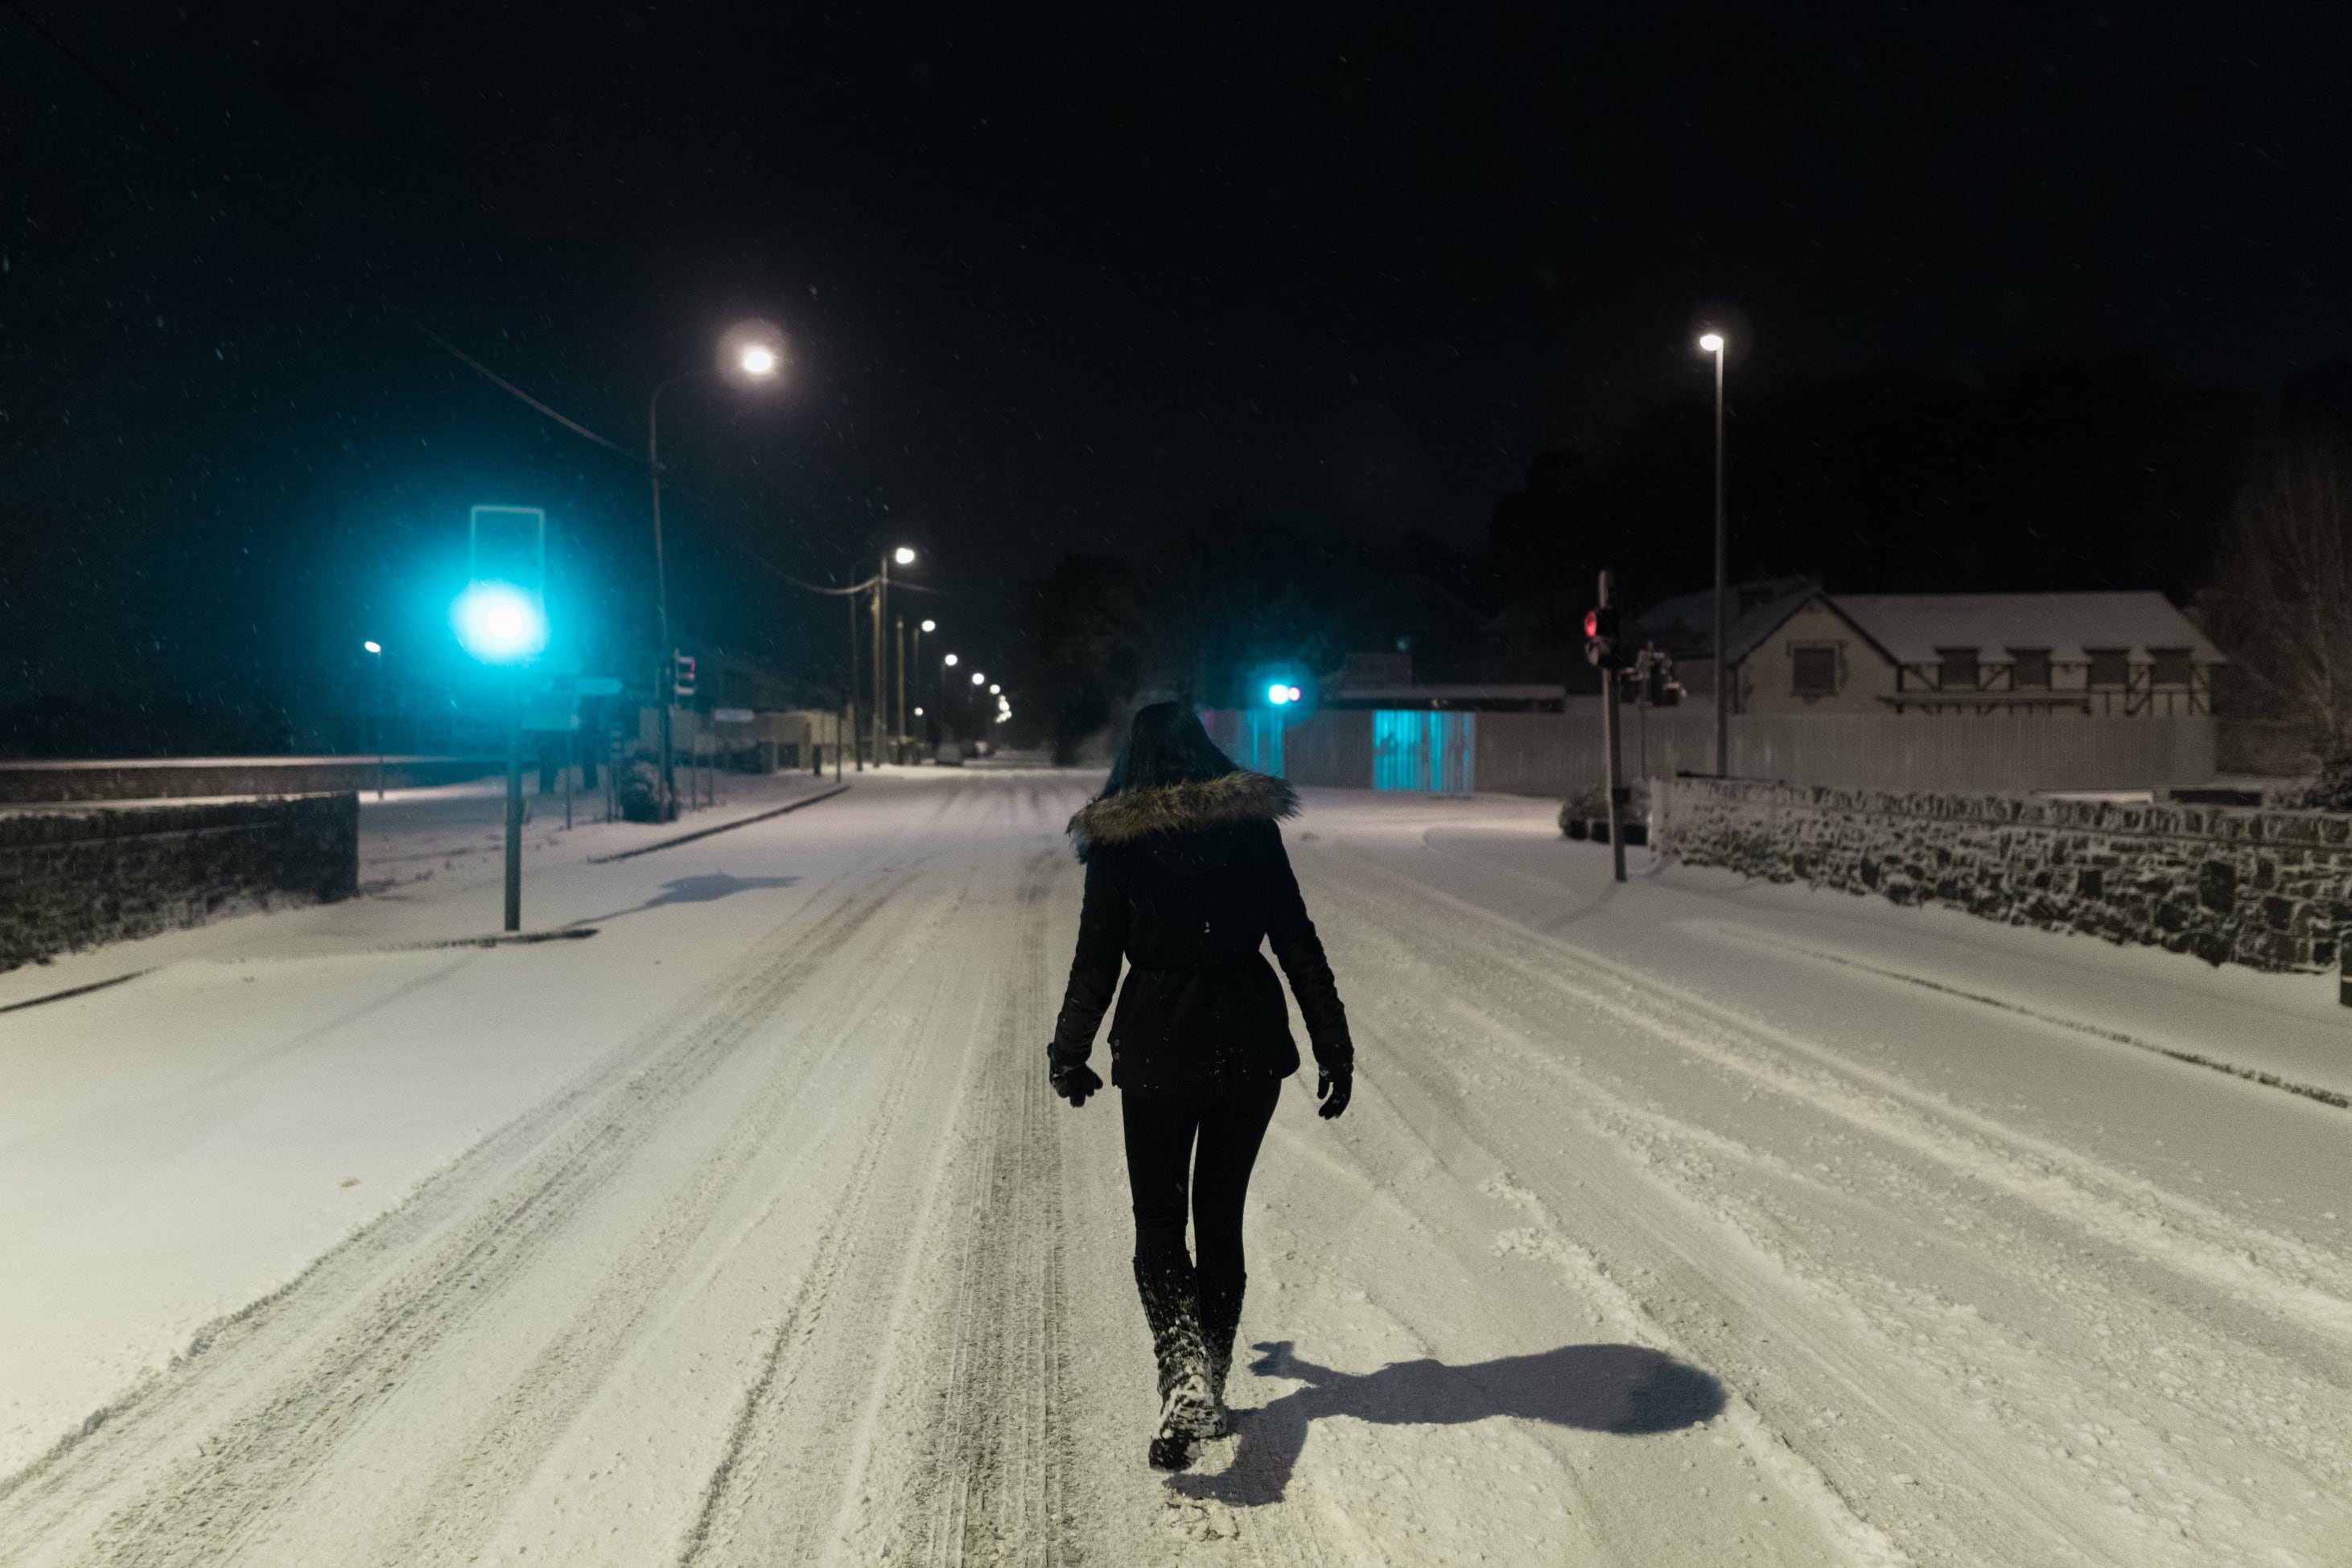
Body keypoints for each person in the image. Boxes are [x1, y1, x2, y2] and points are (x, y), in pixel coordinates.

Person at [1048, 702, 1353, 1471]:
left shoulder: (1119, 842)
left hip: (1156, 1043)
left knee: (1159, 1220)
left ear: (1133, 759)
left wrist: (1070, 1048)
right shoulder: (1251, 829)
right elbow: (1295, 940)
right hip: (1248, 1040)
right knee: (1220, 1218)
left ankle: (1182, 1369)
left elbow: (1096, 957)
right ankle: (1205, 1377)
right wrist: (1331, 1042)